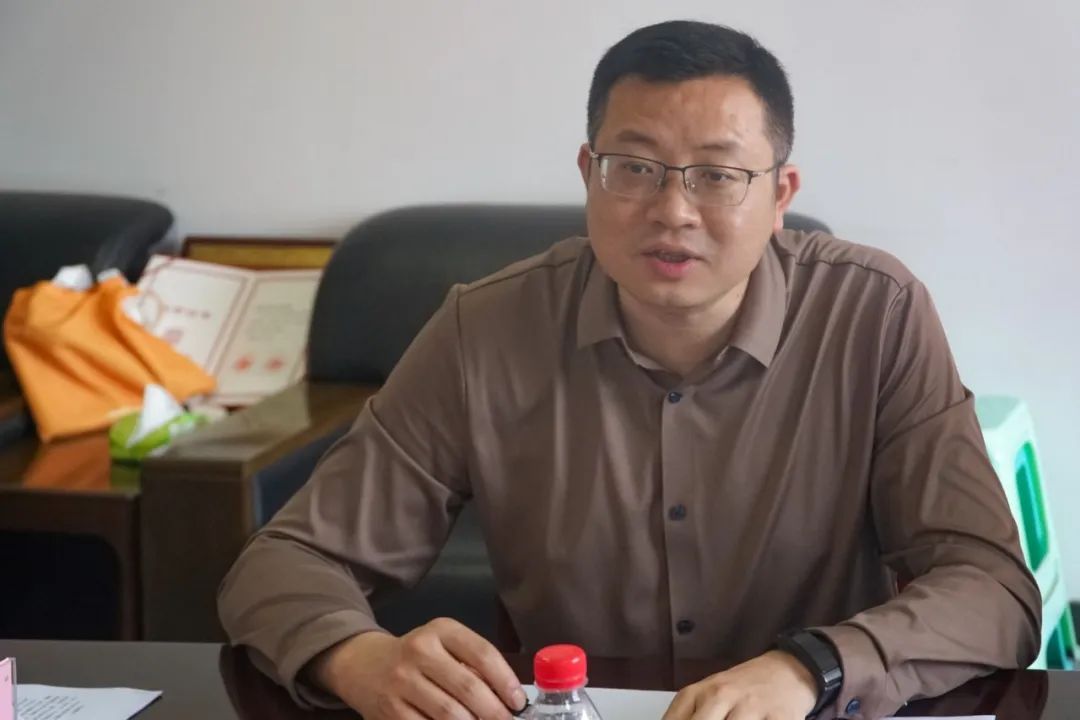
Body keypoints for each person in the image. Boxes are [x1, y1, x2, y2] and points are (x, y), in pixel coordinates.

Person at [218, 19, 1040, 720]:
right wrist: (357, 657)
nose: (672, 211)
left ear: (780, 194)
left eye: (718, 175)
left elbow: (992, 588)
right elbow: (283, 564)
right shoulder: (485, 329)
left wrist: (812, 669)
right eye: (635, 168)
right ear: (588, 174)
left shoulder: (874, 315)